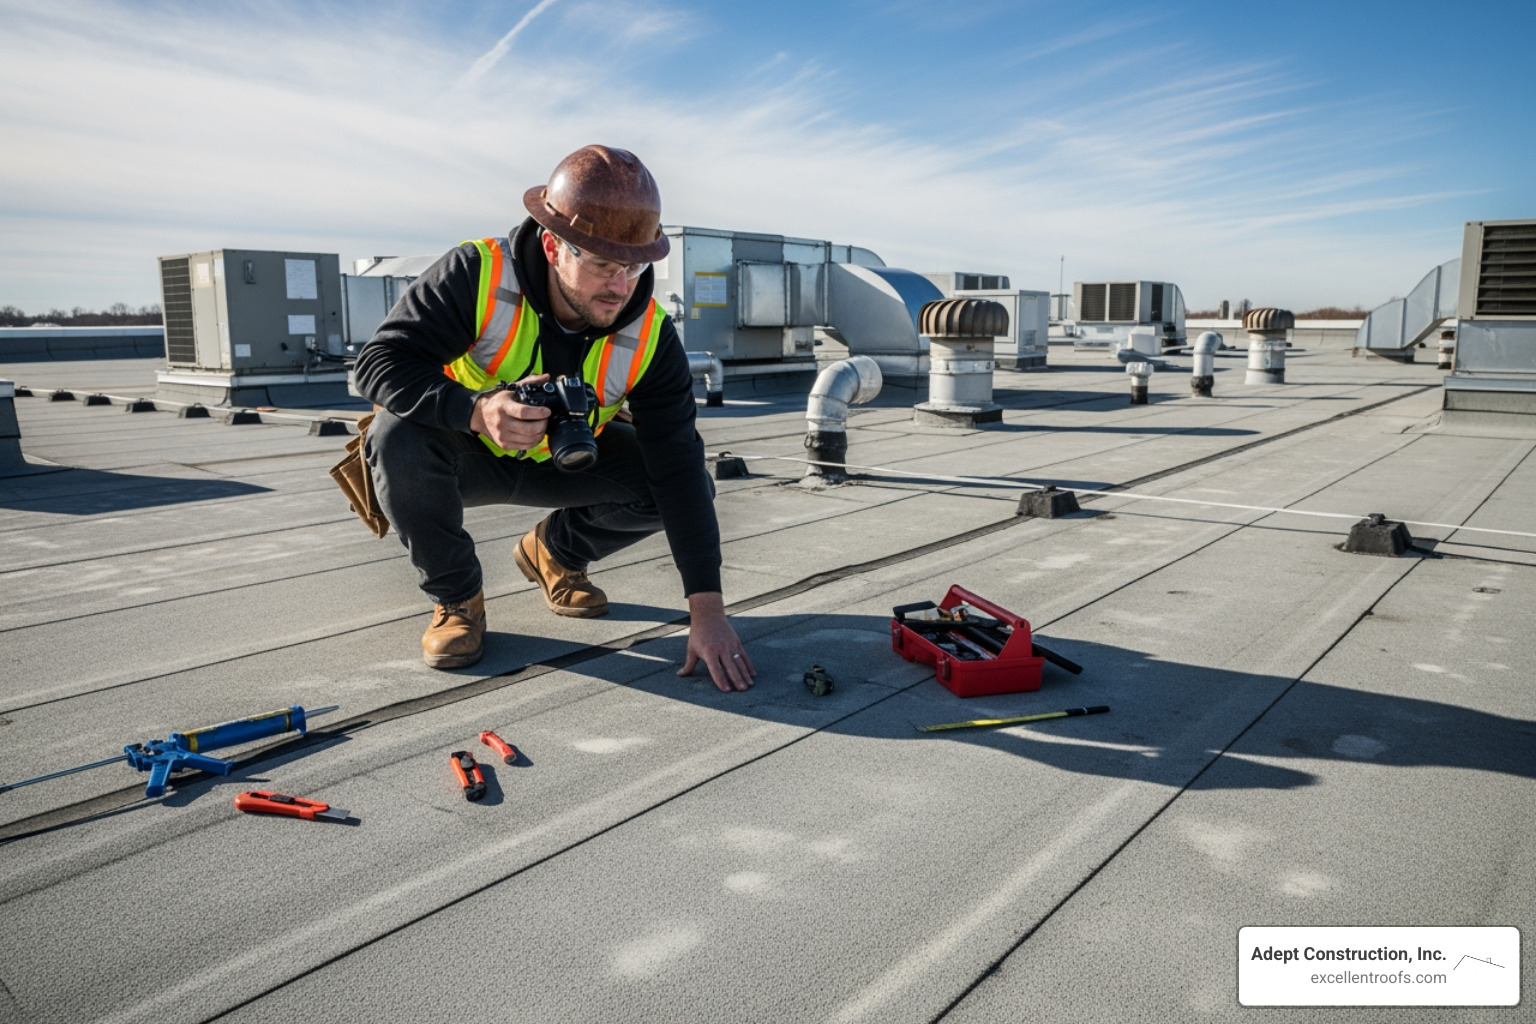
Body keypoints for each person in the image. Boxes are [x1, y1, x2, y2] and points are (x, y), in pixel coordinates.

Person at [353, 145, 754, 692]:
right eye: (603, 266)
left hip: (567, 460)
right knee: (393, 436)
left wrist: (706, 610)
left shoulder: (652, 334)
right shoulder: (478, 273)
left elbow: (678, 462)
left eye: (635, 267)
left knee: (685, 484)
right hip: (465, 451)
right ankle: (457, 600)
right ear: (552, 245)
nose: (620, 285)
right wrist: (476, 410)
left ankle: (556, 553)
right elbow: (377, 363)